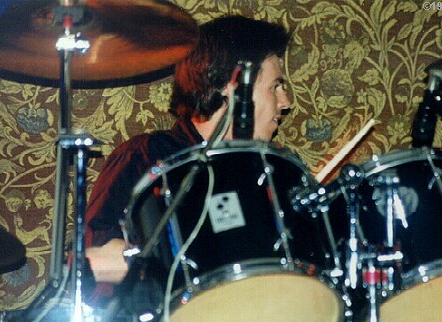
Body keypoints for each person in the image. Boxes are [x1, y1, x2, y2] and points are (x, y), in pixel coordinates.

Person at [85, 15, 292, 284]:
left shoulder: (269, 172)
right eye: (275, 87)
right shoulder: (147, 155)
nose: (286, 102)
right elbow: (93, 261)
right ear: (232, 86)